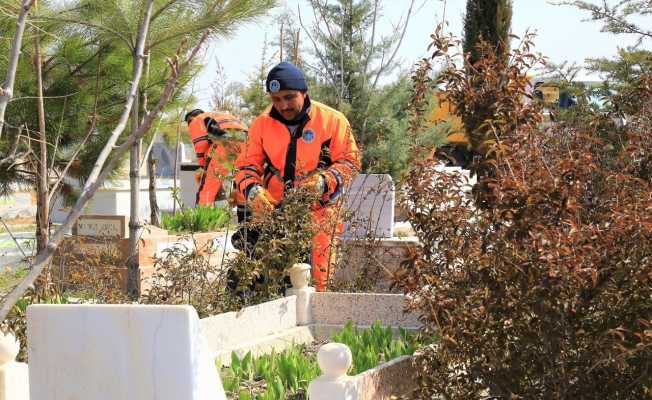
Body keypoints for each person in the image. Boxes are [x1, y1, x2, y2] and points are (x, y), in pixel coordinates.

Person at [234, 61, 360, 291]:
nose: (283, 105)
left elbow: (350, 162)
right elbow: (245, 167)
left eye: (290, 97)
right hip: (274, 210)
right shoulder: (261, 125)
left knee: (319, 279)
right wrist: (253, 191)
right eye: (276, 99)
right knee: (268, 279)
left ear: (304, 92)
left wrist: (324, 181)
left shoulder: (332, 121)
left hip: (321, 211)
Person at [185, 109, 247, 207]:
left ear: (191, 119)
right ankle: (248, 219)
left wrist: (203, 169)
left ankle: (204, 218)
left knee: (207, 188)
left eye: (188, 122)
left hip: (226, 141)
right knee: (244, 184)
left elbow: (201, 147)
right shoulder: (220, 115)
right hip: (246, 141)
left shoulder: (196, 120)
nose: (189, 126)